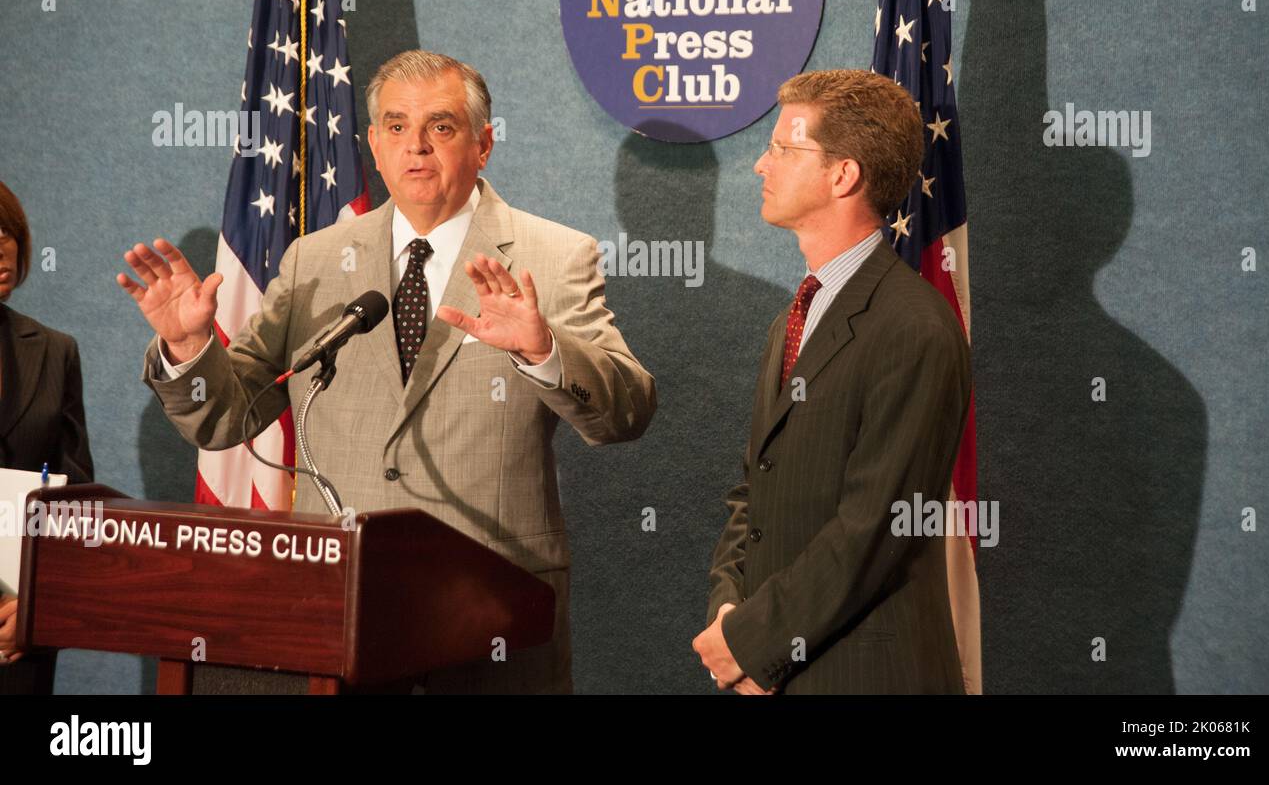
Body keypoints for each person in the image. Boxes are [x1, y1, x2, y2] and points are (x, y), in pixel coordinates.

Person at [118, 51, 656, 693]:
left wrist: (542, 351)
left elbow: (627, 410)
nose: (417, 147)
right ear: (372, 144)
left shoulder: (554, 254)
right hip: (337, 608)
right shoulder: (314, 259)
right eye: (396, 127)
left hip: (493, 607)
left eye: (443, 126)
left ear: (483, 144)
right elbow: (231, 415)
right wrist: (189, 348)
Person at [693, 69, 970, 694]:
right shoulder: (795, 318)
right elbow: (752, 491)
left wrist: (751, 644)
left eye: (783, 150)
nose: (760, 165)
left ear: (843, 175)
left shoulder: (914, 328)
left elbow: (877, 527)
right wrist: (728, 614)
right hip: (774, 672)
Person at [0, 180, 95, 693]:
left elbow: (77, 504)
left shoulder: (55, 351)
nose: (1, 244)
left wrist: (37, 606)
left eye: (8, 229)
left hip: (20, 631)